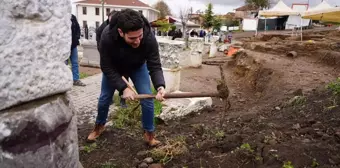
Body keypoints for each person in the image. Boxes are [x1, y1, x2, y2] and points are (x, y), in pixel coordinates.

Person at [87, 9, 166, 147]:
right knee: (105, 98)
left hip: (137, 66)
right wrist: (123, 88)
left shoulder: (148, 37)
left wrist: (160, 85)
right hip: (114, 68)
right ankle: (99, 126)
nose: (137, 42)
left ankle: (149, 134)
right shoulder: (107, 37)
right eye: (132, 38)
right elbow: (106, 66)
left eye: (139, 36)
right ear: (120, 32)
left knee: (147, 99)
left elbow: (154, 64)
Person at [96, 10, 128, 108]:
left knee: (125, 80)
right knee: (107, 86)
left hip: (124, 61)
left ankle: (123, 100)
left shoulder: (123, 27)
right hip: (109, 61)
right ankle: (108, 100)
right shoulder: (102, 29)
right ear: (108, 18)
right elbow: (99, 43)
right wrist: (103, 54)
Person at [66, 14, 86, 86]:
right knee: (64, 64)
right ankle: (65, 80)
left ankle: (76, 80)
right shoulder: (61, 17)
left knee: (75, 63)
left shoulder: (72, 17)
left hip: (73, 44)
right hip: (64, 45)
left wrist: (77, 37)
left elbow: (77, 28)